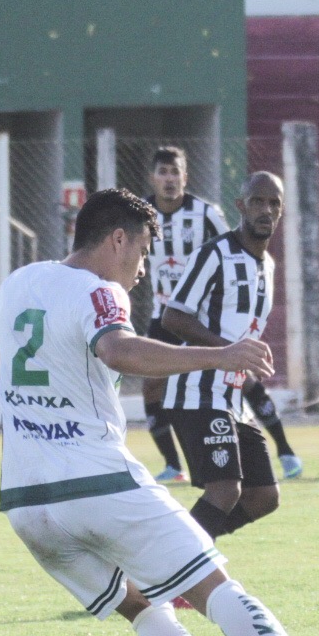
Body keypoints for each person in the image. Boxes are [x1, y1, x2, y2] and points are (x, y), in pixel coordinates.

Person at [0, 187, 319, 636]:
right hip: (99, 484)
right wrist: (223, 355)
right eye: (141, 253)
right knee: (212, 585)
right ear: (117, 239)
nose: (141, 271)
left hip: (26, 506)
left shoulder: (18, 282)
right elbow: (119, 351)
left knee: (140, 608)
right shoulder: (101, 294)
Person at [159, 173, 286, 539]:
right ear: (241, 206)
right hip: (196, 390)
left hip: (232, 396)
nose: (266, 210)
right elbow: (174, 316)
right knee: (225, 489)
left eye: (274, 203)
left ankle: (181, 557)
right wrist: (228, 351)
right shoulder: (214, 254)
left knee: (264, 496)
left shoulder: (270, 266)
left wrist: (243, 358)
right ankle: (183, 571)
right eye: (258, 201)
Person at [138, 147, 229, 483]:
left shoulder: (206, 214)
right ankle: (173, 465)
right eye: (163, 172)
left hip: (199, 316)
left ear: (185, 177)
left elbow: (232, 253)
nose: (169, 179)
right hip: (163, 314)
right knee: (152, 388)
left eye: (175, 172)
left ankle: (269, 449)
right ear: (153, 177)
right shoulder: (140, 215)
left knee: (222, 382)